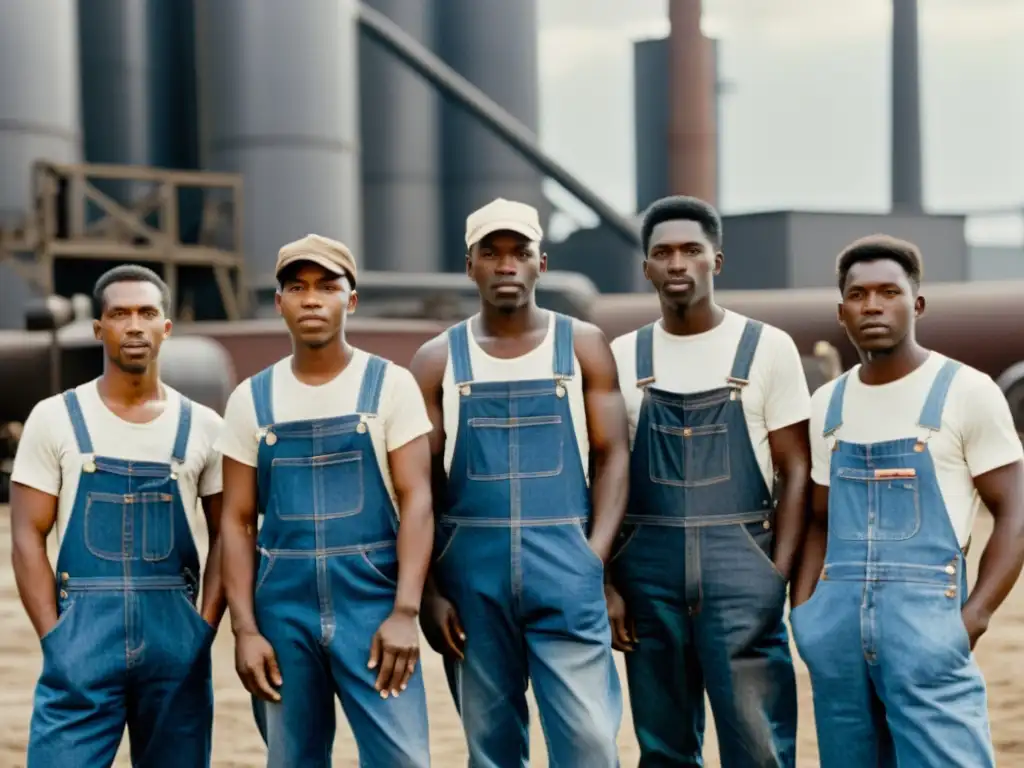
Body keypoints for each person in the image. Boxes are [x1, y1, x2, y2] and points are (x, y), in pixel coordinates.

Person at [791, 235, 1024, 767]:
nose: (873, 305)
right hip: (836, 637)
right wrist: (806, 615)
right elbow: (818, 521)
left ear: (916, 304)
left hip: (929, 630)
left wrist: (974, 619)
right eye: (858, 294)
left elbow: (1015, 510)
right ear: (841, 311)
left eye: (889, 292)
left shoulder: (967, 391)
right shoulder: (829, 403)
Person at [410, 198, 629, 766]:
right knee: (492, 746)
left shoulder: (582, 345)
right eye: (491, 252)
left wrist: (593, 557)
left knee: (589, 741)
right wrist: (431, 592)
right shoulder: (437, 360)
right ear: (470, 266)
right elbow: (419, 487)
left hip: (566, 565)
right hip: (470, 579)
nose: (506, 264)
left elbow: (613, 458)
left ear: (541, 263)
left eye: (519, 252)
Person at [217, 234, 434, 767]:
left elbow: (418, 503)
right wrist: (245, 629)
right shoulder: (252, 398)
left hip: (373, 607)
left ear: (350, 300)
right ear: (279, 303)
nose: (312, 299)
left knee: (403, 759)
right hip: (282, 612)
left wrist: (406, 611)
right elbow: (237, 523)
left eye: (327, 287)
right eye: (297, 287)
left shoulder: (390, 385)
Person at [606, 195, 807, 767]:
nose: (677, 263)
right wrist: (611, 582)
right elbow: (602, 476)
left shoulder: (767, 348)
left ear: (716, 261)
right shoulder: (621, 355)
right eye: (662, 253)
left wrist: (776, 576)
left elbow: (796, 470)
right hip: (647, 571)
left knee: (758, 742)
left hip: (743, 564)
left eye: (692, 250)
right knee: (663, 744)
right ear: (645, 267)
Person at [11, 265, 225, 767]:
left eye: (147, 312)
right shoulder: (55, 417)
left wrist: (204, 629)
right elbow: (26, 536)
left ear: (166, 327)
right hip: (81, 644)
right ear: (98, 328)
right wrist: (55, 638)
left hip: (177, 646)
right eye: (120, 313)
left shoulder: (204, 427)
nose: (134, 325)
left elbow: (229, 534)